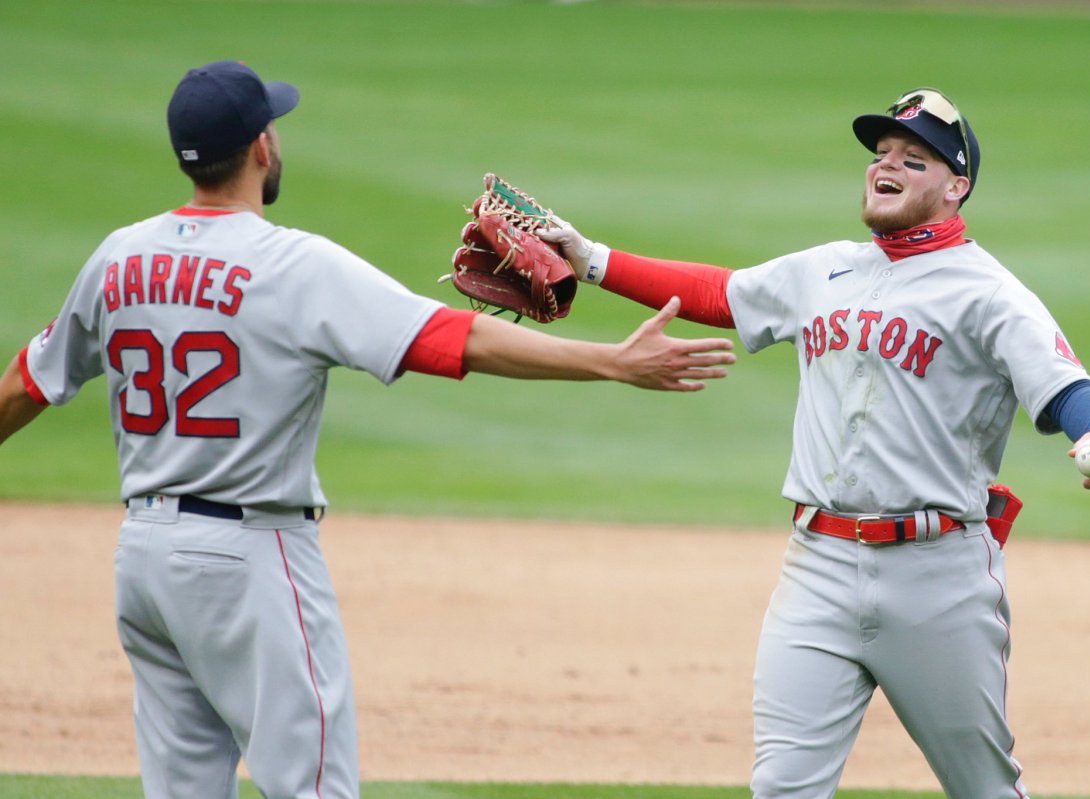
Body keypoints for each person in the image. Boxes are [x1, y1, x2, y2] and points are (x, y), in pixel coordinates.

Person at [0, 60, 737, 799]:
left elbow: (26, 382)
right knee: (313, 787)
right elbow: (455, 338)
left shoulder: (117, 258)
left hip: (144, 561)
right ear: (262, 147)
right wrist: (611, 361)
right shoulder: (292, 265)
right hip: (250, 560)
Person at [539, 87, 1090, 799]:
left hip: (936, 577)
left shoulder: (990, 293)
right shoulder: (826, 268)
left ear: (956, 187)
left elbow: (1066, 384)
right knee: (782, 788)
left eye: (915, 159)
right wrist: (592, 258)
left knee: (983, 788)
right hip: (815, 566)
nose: (887, 165)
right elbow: (720, 294)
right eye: (881, 154)